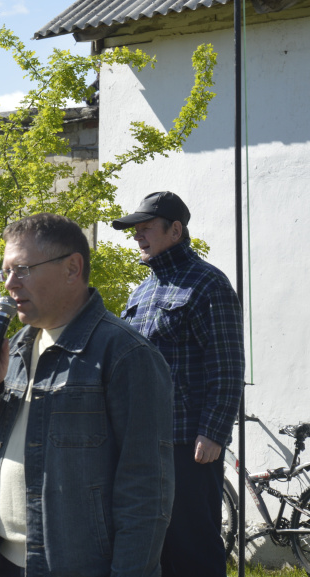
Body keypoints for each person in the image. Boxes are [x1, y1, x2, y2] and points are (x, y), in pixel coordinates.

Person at [0, 213, 174, 577]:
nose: (10, 284)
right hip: (1, 561)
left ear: (72, 268)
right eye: (5, 272)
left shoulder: (126, 355)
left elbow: (147, 493)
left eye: (22, 270)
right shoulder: (13, 350)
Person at [112, 191, 244, 577]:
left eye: (146, 228)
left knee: (193, 548)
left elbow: (227, 364)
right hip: (140, 444)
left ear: (175, 230)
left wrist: (214, 432)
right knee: (153, 547)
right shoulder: (142, 291)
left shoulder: (208, 283)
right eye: (135, 230)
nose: (137, 236)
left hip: (188, 446)